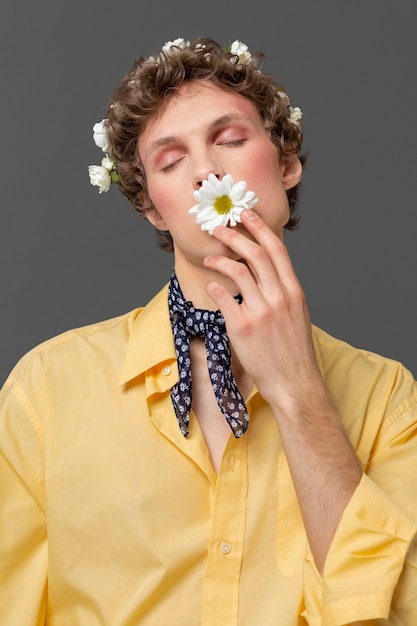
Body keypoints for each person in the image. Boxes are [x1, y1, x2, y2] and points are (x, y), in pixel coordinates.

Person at [0, 36, 416, 626]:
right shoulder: (46, 391)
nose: (205, 172)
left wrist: (300, 394)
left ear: (288, 163)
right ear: (151, 205)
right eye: (171, 162)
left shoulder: (388, 403)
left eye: (231, 140)